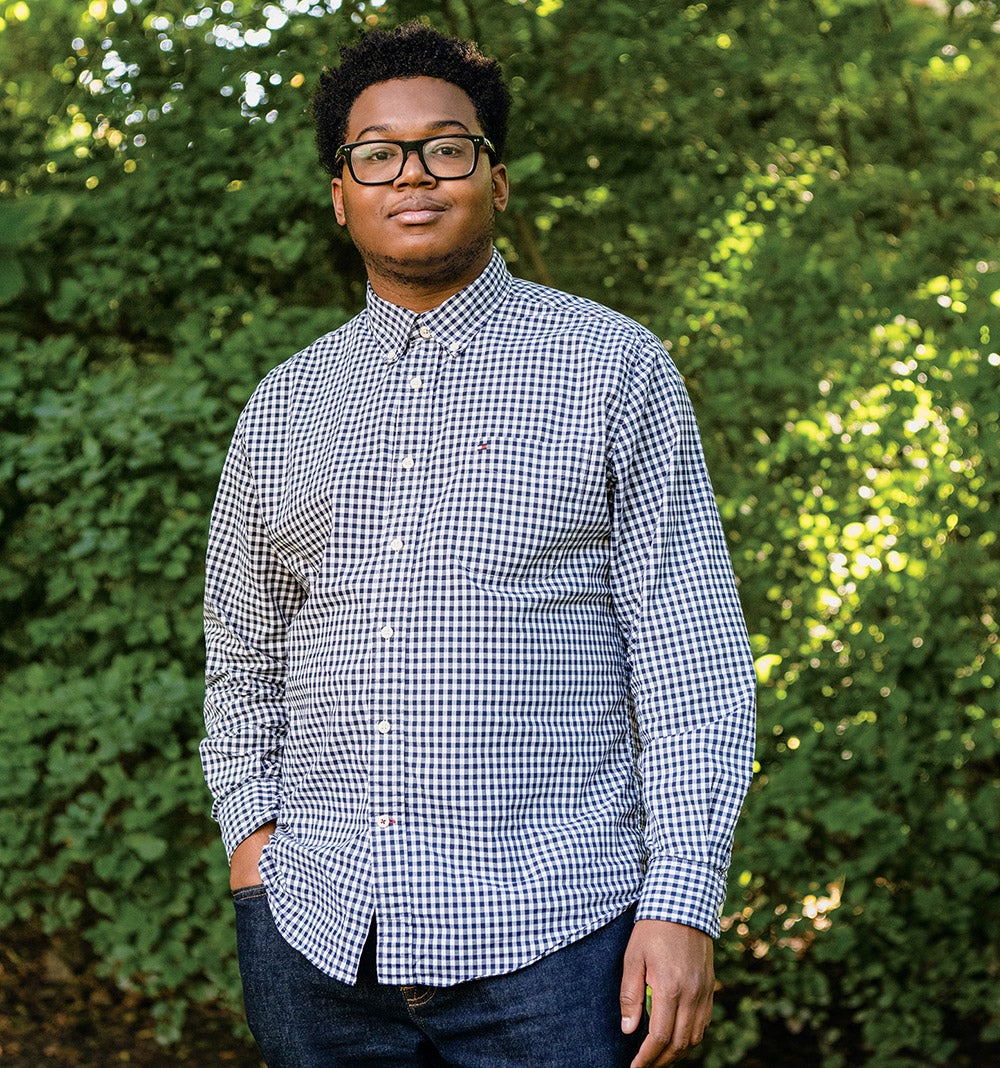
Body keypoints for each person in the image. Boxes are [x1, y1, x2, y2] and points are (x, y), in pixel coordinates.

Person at [201, 22, 756, 1068]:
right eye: (377, 154)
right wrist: (254, 858)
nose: (412, 175)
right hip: (315, 941)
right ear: (340, 194)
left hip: (559, 946)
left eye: (445, 147)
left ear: (494, 181)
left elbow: (693, 663)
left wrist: (682, 905)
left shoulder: (612, 367)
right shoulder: (283, 408)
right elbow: (241, 656)